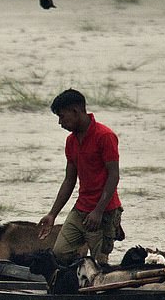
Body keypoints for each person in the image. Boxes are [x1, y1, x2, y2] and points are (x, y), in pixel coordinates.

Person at [38, 89, 123, 265]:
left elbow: (114, 176)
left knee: (101, 263)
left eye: (62, 117)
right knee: (60, 253)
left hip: (105, 211)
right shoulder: (71, 141)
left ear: (76, 112)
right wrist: (52, 214)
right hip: (81, 208)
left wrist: (98, 211)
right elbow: (69, 180)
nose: (60, 123)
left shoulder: (105, 136)